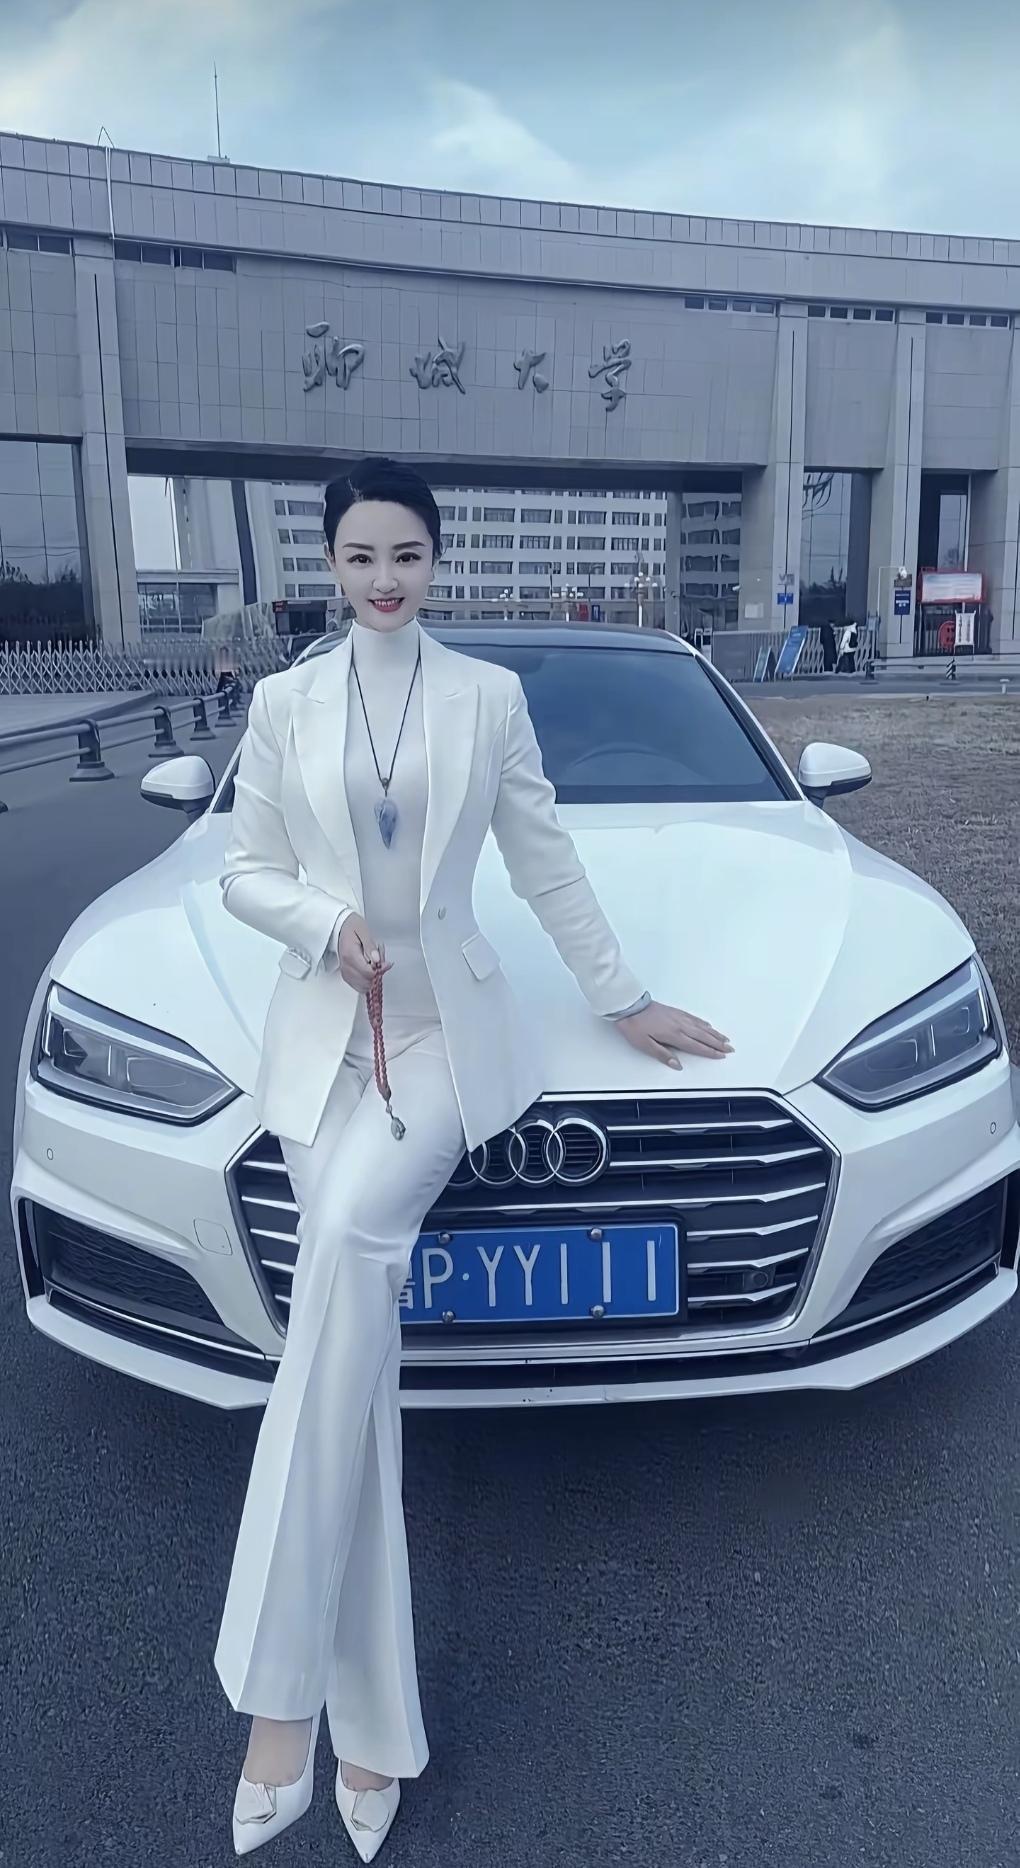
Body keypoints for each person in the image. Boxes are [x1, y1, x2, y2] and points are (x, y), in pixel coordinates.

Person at [215, 457, 734, 1858]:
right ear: (330, 565)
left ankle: (276, 1706)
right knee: (353, 1365)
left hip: (445, 1042)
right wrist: (323, 925)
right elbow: (244, 870)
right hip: (326, 1048)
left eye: (407, 554)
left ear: (436, 561)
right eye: (361, 555)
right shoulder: (283, 705)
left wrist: (623, 997)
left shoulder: (486, 698)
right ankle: (374, 1737)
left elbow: (545, 860)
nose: (385, 578)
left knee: (345, 1252)